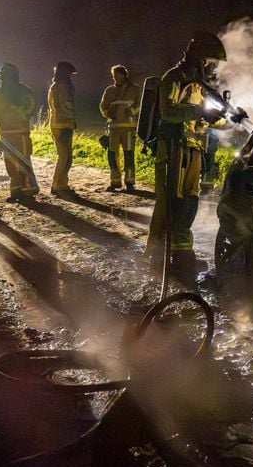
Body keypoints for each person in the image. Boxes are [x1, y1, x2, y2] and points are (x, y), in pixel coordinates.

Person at [145, 31, 236, 286]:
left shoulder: (199, 86)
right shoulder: (173, 78)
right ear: (199, 58)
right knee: (172, 207)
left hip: (193, 149)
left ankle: (182, 257)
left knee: (188, 206)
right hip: (173, 150)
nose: (213, 67)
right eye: (210, 61)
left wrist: (228, 119)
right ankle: (160, 260)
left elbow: (210, 118)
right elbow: (169, 112)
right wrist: (199, 112)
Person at [0, 63, 38, 203]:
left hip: (16, 133)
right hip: (11, 133)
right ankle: (19, 191)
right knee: (15, 163)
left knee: (21, 163)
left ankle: (25, 191)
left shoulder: (3, 92)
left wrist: (15, 112)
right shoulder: (3, 93)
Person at [99, 64, 141, 192]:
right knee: (112, 155)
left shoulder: (135, 89)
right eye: (114, 75)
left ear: (124, 75)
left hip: (129, 127)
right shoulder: (109, 90)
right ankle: (115, 181)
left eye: (118, 75)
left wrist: (132, 112)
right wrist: (107, 113)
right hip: (113, 128)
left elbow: (140, 105)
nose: (115, 78)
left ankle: (130, 182)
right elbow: (103, 106)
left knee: (129, 154)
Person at [47, 61, 77, 196]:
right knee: (64, 156)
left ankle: (63, 184)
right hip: (60, 126)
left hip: (66, 125)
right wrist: (67, 125)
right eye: (70, 74)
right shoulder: (58, 87)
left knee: (68, 157)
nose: (71, 76)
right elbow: (60, 107)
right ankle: (56, 185)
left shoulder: (62, 86)